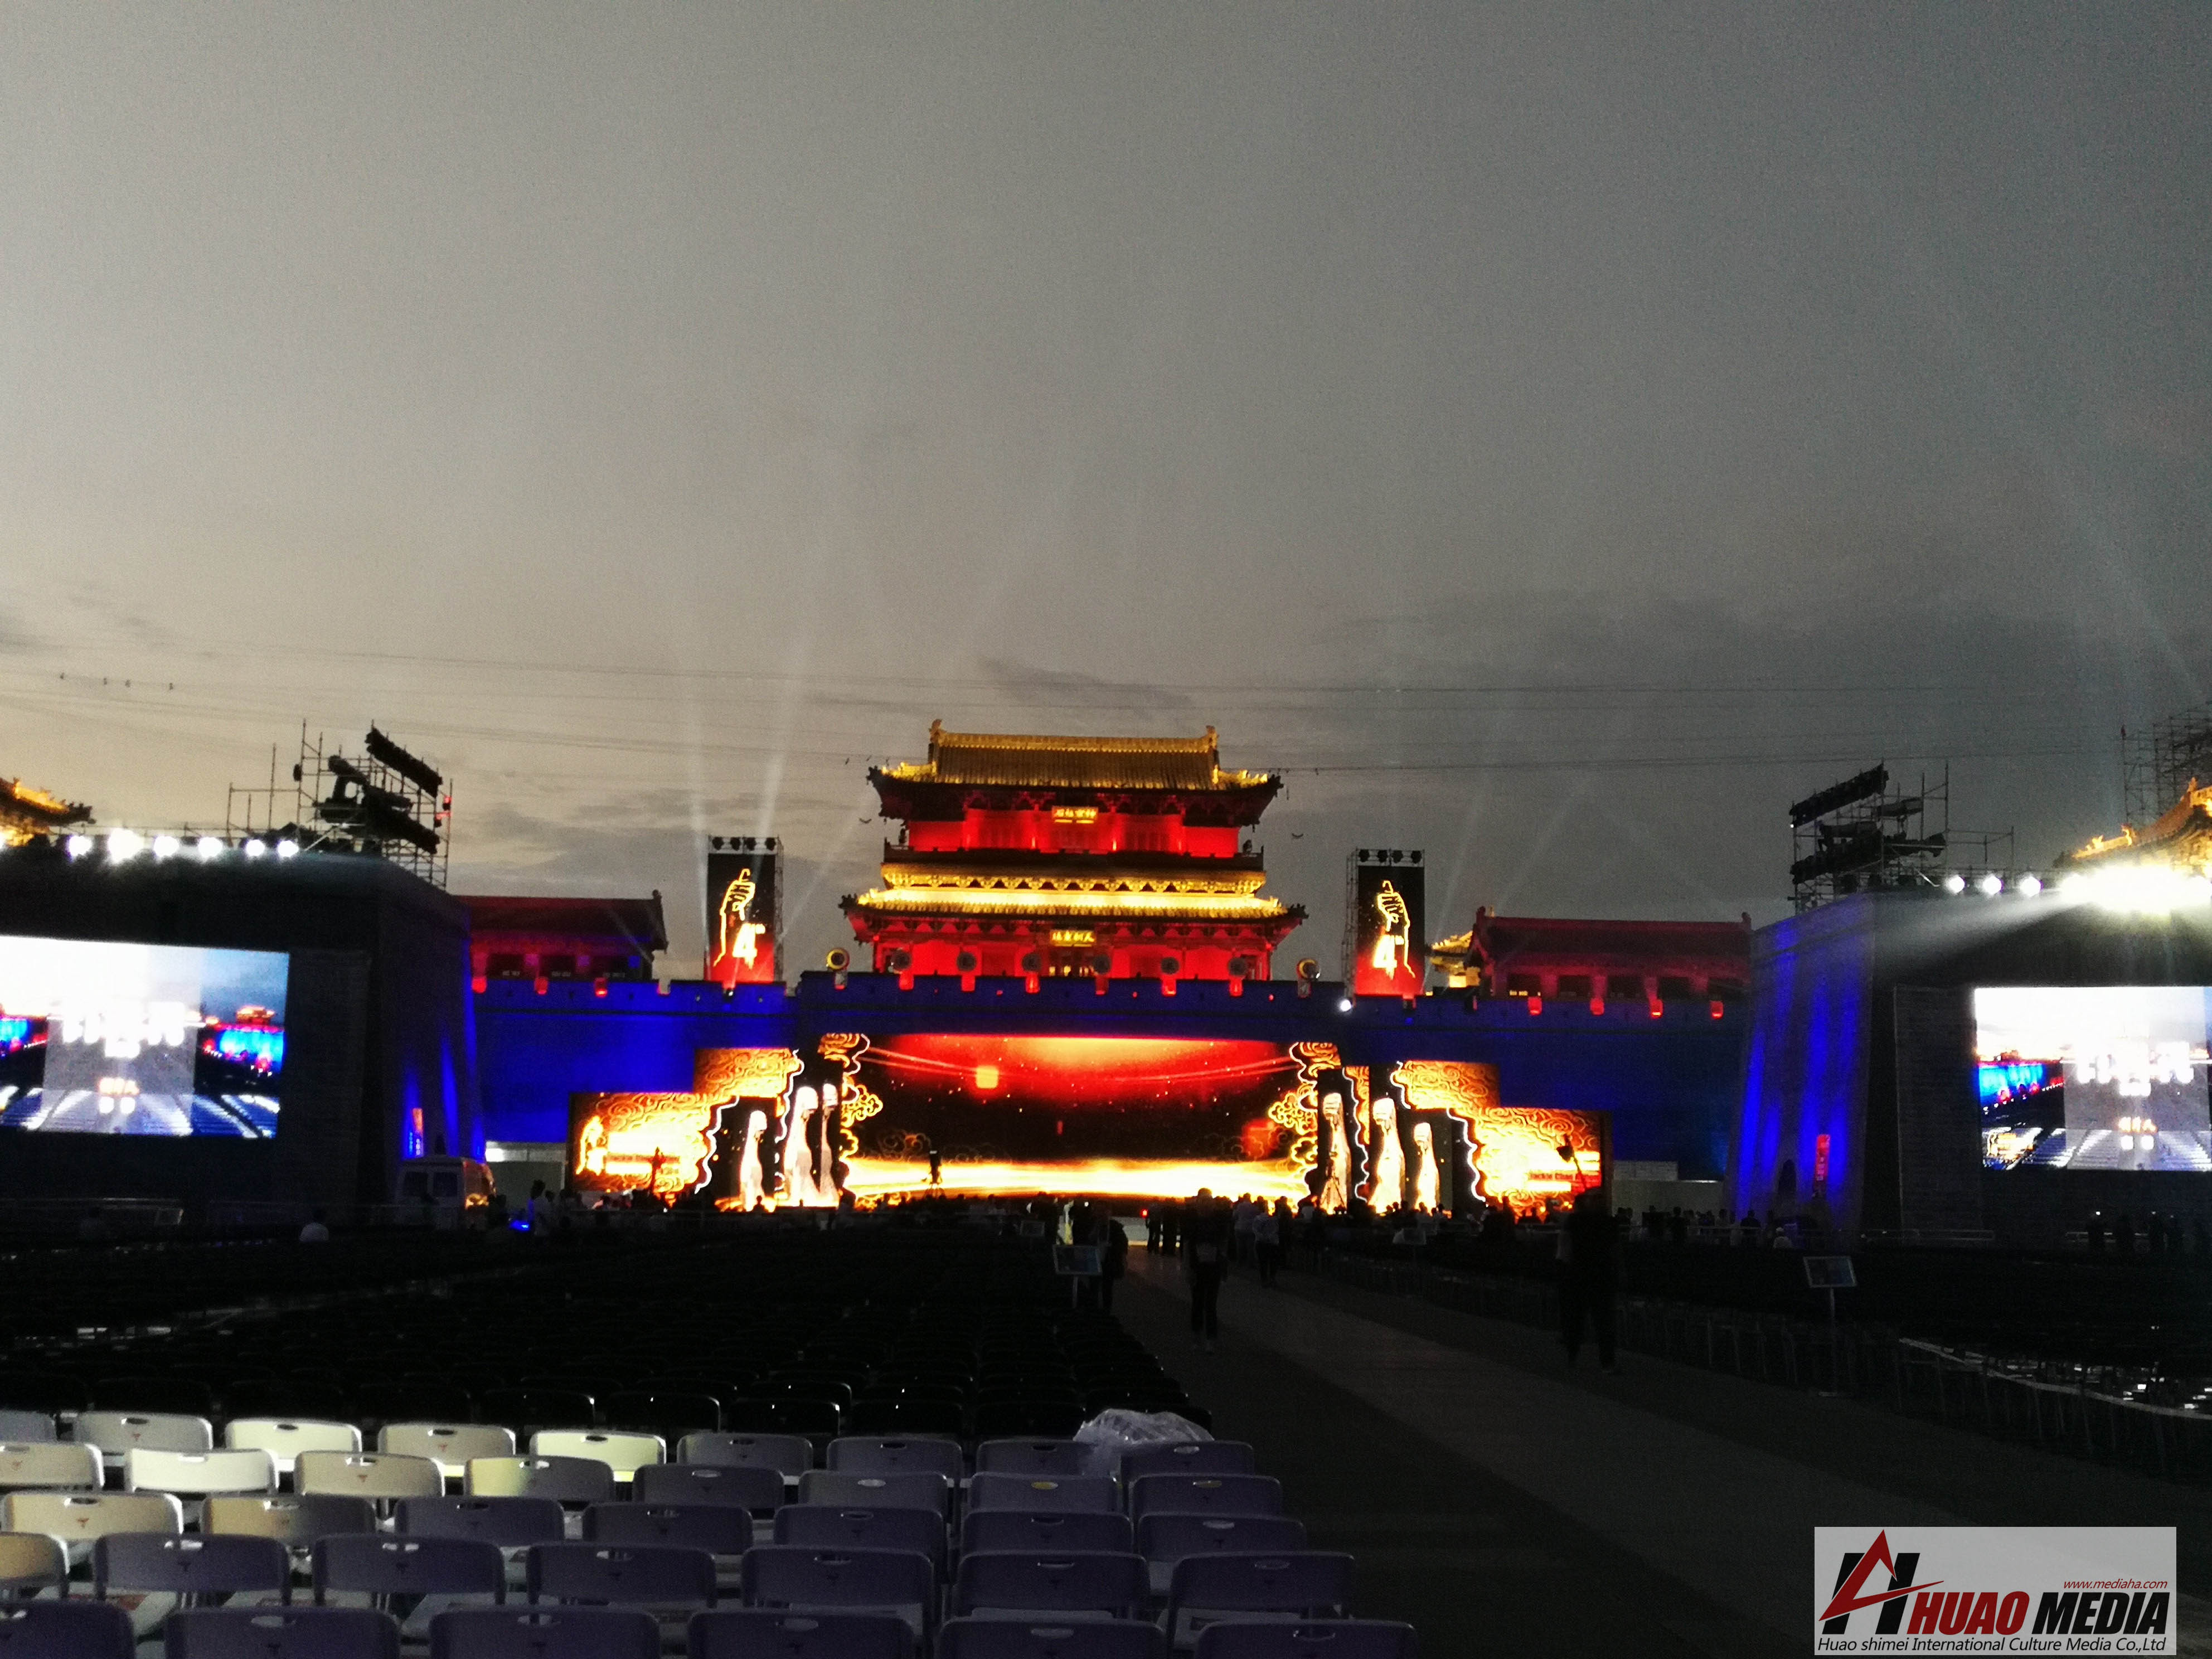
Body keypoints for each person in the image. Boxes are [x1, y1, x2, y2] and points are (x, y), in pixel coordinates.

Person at [1559, 1186, 1618, 1371]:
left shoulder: (1577, 1221)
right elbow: (1615, 1250)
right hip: (1595, 1275)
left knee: (1583, 1319)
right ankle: (1603, 1362)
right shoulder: (1606, 1222)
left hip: (1586, 1275)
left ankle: (1576, 1357)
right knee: (1598, 1320)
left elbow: (1566, 1248)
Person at [1183, 1189, 1231, 1350]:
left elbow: (1223, 1245)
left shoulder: (1219, 1221)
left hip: (1213, 1265)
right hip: (1197, 1265)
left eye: (1209, 1201)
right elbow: (1187, 1245)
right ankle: (1197, 1336)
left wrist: (1224, 1266)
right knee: (1197, 1302)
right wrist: (1187, 1267)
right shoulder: (1192, 1221)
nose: (1206, 1205)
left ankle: (1210, 1338)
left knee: (1211, 1303)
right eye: (1203, 1202)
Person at [1099, 1212, 1129, 1310]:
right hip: (1103, 1259)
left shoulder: (1115, 1229)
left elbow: (1122, 1246)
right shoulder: (1115, 1228)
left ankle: (1105, 1309)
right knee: (1105, 1287)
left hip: (1108, 1261)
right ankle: (1103, 1309)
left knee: (1106, 1287)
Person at [1254, 1200, 1282, 1286]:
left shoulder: (1258, 1219)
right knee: (1273, 1262)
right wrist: (1270, 1237)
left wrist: (1262, 1237)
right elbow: (1276, 1230)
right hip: (1273, 1243)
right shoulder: (1275, 1220)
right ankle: (1272, 1278)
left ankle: (1264, 1279)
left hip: (1261, 1243)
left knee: (1263, 1262)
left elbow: (1255, 1230)